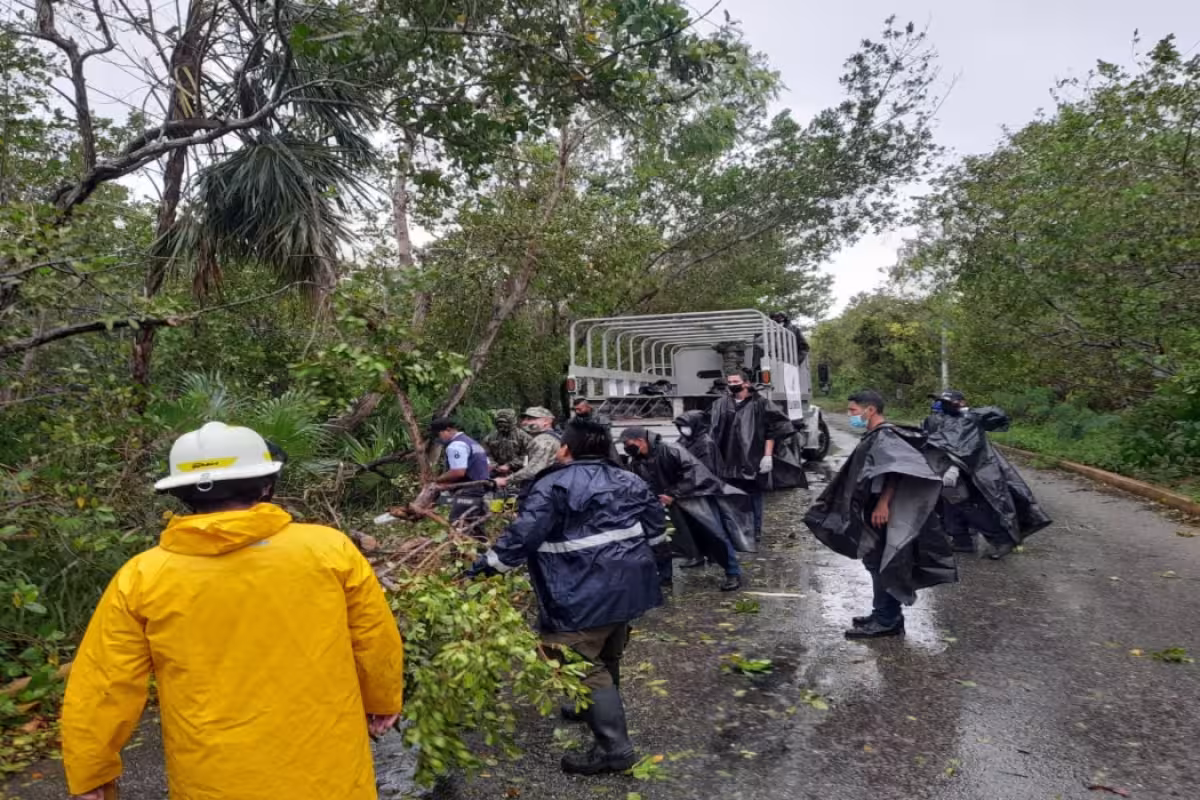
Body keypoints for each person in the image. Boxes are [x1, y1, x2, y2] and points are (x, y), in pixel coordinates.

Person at [61, 422, 406, 799]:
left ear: (181, 494)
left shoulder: (143, 576)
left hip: (214, 779)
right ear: (266, 485)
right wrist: (382, 700)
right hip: (329, 773)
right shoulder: (328, 550)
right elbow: (374, 639)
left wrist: (91, 772)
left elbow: (104, 684)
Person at [468, 418, 668, 775]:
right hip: (629, 586)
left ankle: (614, 749)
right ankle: (586, 705)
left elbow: (524, 534)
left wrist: (487, 567)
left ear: (566, 449)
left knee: (570, 658)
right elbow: (656, 532)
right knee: (604, 652)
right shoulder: (630, 479)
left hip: (580, 589)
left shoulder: (553, 485)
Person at [804, 391, 958, 639]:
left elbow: (896, 472)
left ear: (870, 410)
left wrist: (883, 504)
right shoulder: (876, 435)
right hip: (874, 505)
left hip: (884, 508)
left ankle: (887, 620)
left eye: (853, 411)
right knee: (875, 560)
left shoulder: (886, 436)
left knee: (882, 562)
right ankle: (883, 613)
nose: (850, 415)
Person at [923, 390, 1052, 558]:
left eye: (946, 402)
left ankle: (1001, 539)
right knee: (952, 504)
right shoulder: (938, 420)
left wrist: (968, 411)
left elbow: (970, 444)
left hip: (974, 471)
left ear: (960, 403)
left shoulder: (969, 419)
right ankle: (962, 540)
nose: (941, 405)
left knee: (971, 506)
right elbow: (934, 442)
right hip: (948, 470)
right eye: (941, 402)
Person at [620, 427, 751, 592]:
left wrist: (673, 493)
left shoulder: (671, 450)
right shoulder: (637, 461)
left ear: (640, 441)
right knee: (681, 537)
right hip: (670, 502)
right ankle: (686, 563)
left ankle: (733, 572)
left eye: (627, 443)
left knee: (714, 534)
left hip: (694, 497)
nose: (626, 447)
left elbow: (695, 473)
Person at [707, 370, 785, 540]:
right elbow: (713, 431)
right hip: (727, 459)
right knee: (731, 495)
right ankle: (736, 530)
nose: (732, 384)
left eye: (736, 381)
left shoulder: (760, 404)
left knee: (754, 495)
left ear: (747, 383)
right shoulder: (721, 404)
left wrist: (767, 456)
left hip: (751, 458)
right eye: (730, 382)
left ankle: (755, 529)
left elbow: (771, 431)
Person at [430, 416, 492, 531]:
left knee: (457, 524)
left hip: (468, 491)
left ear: (448, 430)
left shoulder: (456, 446)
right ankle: (480, 543)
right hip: (481, 489)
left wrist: (437, 480)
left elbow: (458, 472)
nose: (438, 439)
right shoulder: (473, 443)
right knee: (475, 525)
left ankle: (459, 543)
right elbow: (488, 466)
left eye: (438, 435)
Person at [494, 407, 561, 491]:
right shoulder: (552, 437)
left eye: (531, 419)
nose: (524, 422)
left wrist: (506, 480)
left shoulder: (544, 440)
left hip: (545, 487)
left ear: (547, 421)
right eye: (524, 419)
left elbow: (533, 468)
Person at [482, 409, 531, 476]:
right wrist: (494, 465)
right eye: (500, 422)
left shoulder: (524, 437)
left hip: (518, 473)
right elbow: (485, 454)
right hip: (495, 472)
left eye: (505, 422)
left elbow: (526, 456)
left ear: (512, 421)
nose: (502, 425)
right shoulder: (490, 437)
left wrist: (509, 465)